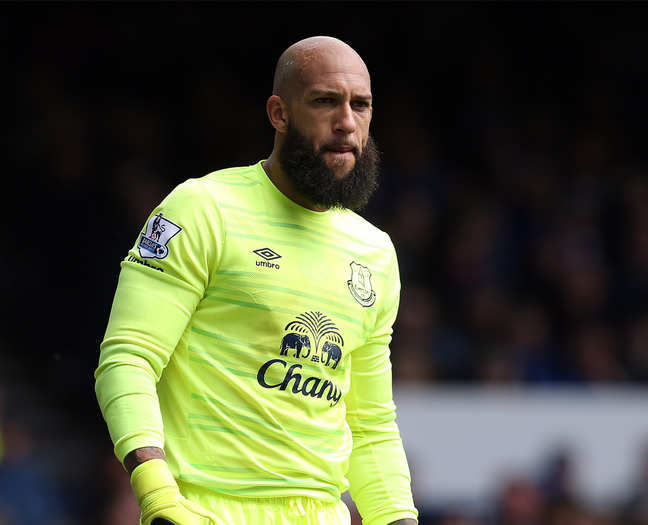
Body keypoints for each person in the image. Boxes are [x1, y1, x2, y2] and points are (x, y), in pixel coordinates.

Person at [95, 36, 418, 525]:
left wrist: (397, 518)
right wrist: (157, 493)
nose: (347, 122)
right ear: (279, 113)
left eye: (361, 105)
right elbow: (128, 358)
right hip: (202, 509)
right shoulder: (202, 209)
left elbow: (370, 423)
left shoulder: (375, 253)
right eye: (325, 101)